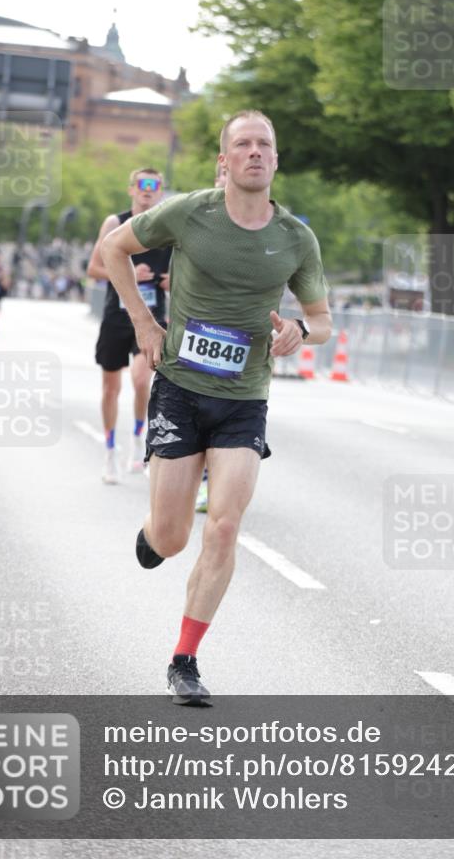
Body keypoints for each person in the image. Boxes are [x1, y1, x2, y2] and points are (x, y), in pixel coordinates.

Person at [102, 110, 332, 705]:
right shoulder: (190, 213)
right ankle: (156, 532)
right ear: (223, 161)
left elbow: (325, 323)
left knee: (225, 526)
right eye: (242, 144)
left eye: (265, 145)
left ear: (276, 160)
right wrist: (144, 322)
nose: (255, 153)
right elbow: (114, 249)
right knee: (174, 538)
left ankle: (185, 659)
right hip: (179, 389)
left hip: (244, 401)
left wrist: (300, 332)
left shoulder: (296, 239)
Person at [87, 169, 171, 485]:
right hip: (116, 316)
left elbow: (182, 277)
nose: (148, 190)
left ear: (161, 192)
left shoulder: (167, 229)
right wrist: (129, 274)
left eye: (155, 186)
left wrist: (166, 281)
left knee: (140, 381)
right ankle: (109, 450)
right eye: (142, 185)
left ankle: (138, 440)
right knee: (111, 387)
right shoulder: (114, 224)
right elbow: (94, 268)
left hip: (150, 319)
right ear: (131, 190)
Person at [193, 158, 228, 514]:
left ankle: (211, 482)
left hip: (236, 341)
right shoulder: (196, 218)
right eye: (220, 176)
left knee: (223, 414)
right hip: (194, 332)